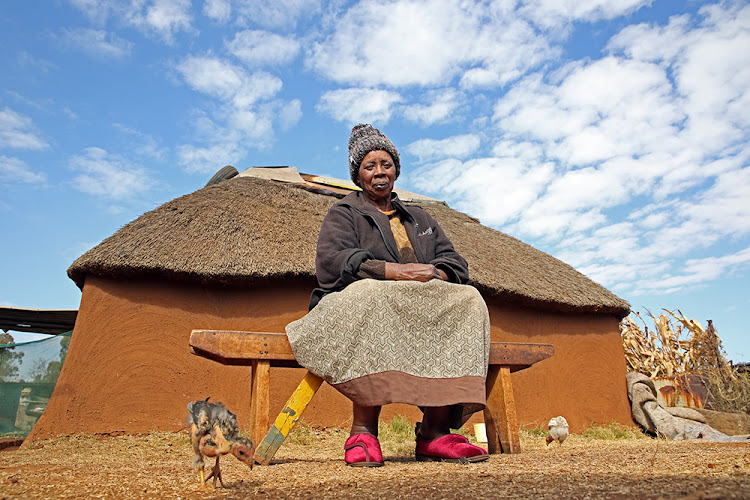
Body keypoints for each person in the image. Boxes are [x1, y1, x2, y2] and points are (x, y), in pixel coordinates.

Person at [286, 124, 490, 466]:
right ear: (357, 175)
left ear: (396, 169)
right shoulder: (344, 213)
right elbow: (334, 261)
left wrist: (434, 272)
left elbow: (454, 261)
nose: (379, 173)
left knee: (470, 299)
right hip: (359, 304)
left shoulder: (421, 217)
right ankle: (363, 431)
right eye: (369, 166)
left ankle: (435, 433)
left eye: (386, 164)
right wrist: (395, 272)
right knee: (372, 295)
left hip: (417, 310)